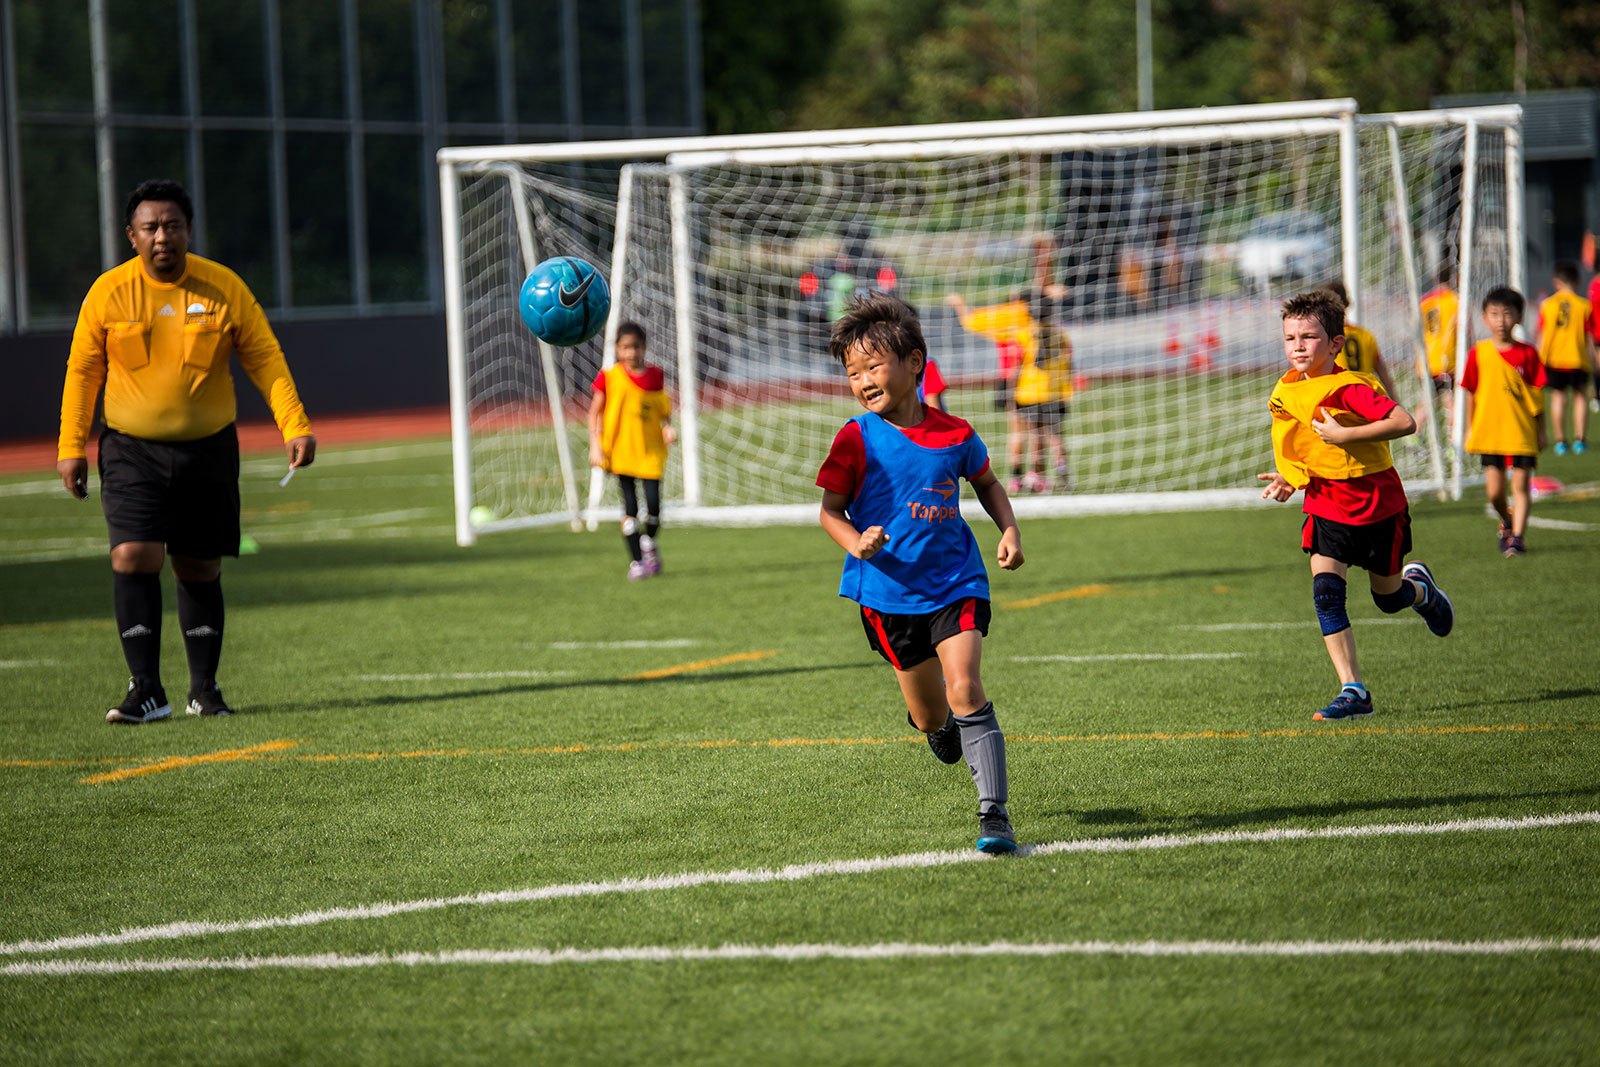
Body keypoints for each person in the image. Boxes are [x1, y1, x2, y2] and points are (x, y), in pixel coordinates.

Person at [57, 178, 316, 724]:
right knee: (133, 555)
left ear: (188, 230)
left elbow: (265, 358)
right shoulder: (108, 293)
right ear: (132, 235)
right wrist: (70, 445)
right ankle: (146, 689)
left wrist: (295, 424)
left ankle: (204, 689)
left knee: (198, 566)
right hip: (129, 449)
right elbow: (83, 371)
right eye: (150, 227)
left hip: (208, 451)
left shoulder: (223, 288)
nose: (162, 237)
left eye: (172, 225)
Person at [816, 293, 1025, 853]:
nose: (863, 380)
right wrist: (856, 542)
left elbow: (987, 484)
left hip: (956, 581)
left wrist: (1008, 529)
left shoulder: (956, 433)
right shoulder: (855, 438)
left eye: (873, 366)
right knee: (931, 714)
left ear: (915, 364)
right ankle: (938, 728)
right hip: (887, 592)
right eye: (852, 372)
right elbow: (829, 510)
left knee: (964, 685)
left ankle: (994, 816)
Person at [1258, 290, 1454, 721]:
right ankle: (1354, 689)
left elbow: (1405, 421)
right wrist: (1291, 478)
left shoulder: (1351, 388)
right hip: (1326, 503)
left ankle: (1420, 591)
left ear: (1334, 344)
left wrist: (1347, 435)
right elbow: (1298, 443)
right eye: (1290, 338)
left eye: (1308, 337)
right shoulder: (1285, 391)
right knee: (1326, 594)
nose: (1297, 347)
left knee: (1388, 599)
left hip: (1377, 505)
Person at [946, 274, 1073, 492]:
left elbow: (971, 321)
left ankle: (1018, 477)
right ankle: (1047, 475)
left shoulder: (1010, 326)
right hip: (1049, 387)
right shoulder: (1047, 329)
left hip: (1017, 384)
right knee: (1047, 434)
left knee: (1020, 432)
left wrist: (959, 304)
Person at [1462, 287, 1547, 557]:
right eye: (1495, 314)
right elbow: (1471, 393)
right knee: (1494, 493)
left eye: (1508, 314)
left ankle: (1517, 539)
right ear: (1485, 318)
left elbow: (1538, 397)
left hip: (1521, 432)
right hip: (1490, 432)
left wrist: (1541, 432)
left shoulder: (1529, 354)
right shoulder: (1479, 353)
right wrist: (1468, 429)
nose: (1501, 321)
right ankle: (1508, 521)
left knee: (1520, 487)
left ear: (1520, 317)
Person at [588, 321, 675, 580]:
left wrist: (668, 427)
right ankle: (636, 562)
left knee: (654, 508)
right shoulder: (609, 377)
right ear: (617, 349)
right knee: (630, 508)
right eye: (625, 347)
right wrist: (596, 445)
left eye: (636, 346)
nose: (631, 352)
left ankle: (648, 542)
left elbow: (663, 410)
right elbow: (595, 412)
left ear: (644, 348)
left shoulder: (655, 376)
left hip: (650, 453)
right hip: (620, 452)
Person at [1535, 260, 1593, 455]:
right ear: (1577, 281)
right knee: (1580, 397)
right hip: (1578, 358)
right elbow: (1589, 337)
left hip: (1553, 358)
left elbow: (1541, 335)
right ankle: (1579, 441)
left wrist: (1540, 359)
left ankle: (1560, 442)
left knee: (1558, 398)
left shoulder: (1547, 305)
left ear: (1556, 282)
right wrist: (1593, 360)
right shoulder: (1584, 305)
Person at [1320, 281, 1399, 398]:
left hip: (1338, 401)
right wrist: (1396, 401)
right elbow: (1384, 375)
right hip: (1365, 400)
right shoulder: (1365, 335)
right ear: (1348, 304)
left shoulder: (1323, 338)